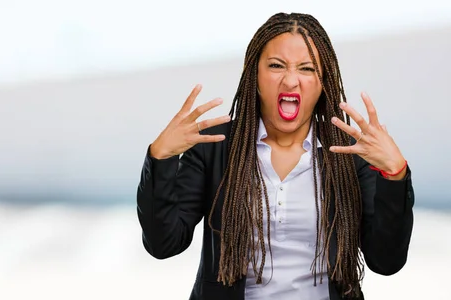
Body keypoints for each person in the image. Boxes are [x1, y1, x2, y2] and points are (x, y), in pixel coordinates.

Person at [136, 12, 414, 300]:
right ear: (254, 74)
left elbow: (387, 261)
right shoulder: (214, 144)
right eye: (276, 65)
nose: (291, 80)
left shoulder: (351, 152)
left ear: (323, 83)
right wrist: (161, 157)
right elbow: (163, 244)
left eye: (307, 69)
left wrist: (395, 174)